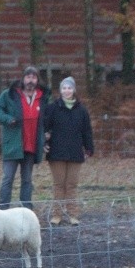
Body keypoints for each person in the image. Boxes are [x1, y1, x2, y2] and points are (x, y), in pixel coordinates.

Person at [0, 66, 51, 210]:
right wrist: (7, 119)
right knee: (7, 179)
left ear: (37, 80)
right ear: (23, 79)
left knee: (27, 180)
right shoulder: (10, 94)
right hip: (13, 144)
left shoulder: (43, 97)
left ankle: (26, 210)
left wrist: (47, 135)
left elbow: (48, 118)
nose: (31, 80)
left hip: (32, 145)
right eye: (28, 77)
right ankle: (2, 210)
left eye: (34, 77)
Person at [43, 76, 94, 226]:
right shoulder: (52, 108)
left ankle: (73, 215)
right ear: (60, 90)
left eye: (69, 88)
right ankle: (57, 215)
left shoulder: (82, 110)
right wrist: (44, 142)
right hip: (56, 152)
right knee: (59, 185)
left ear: (74, 90)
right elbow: (44, 128)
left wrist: (89, 148)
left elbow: (87, 131)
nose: (67, 90)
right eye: (64, 88)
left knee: (71, 185)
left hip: (75, 153)